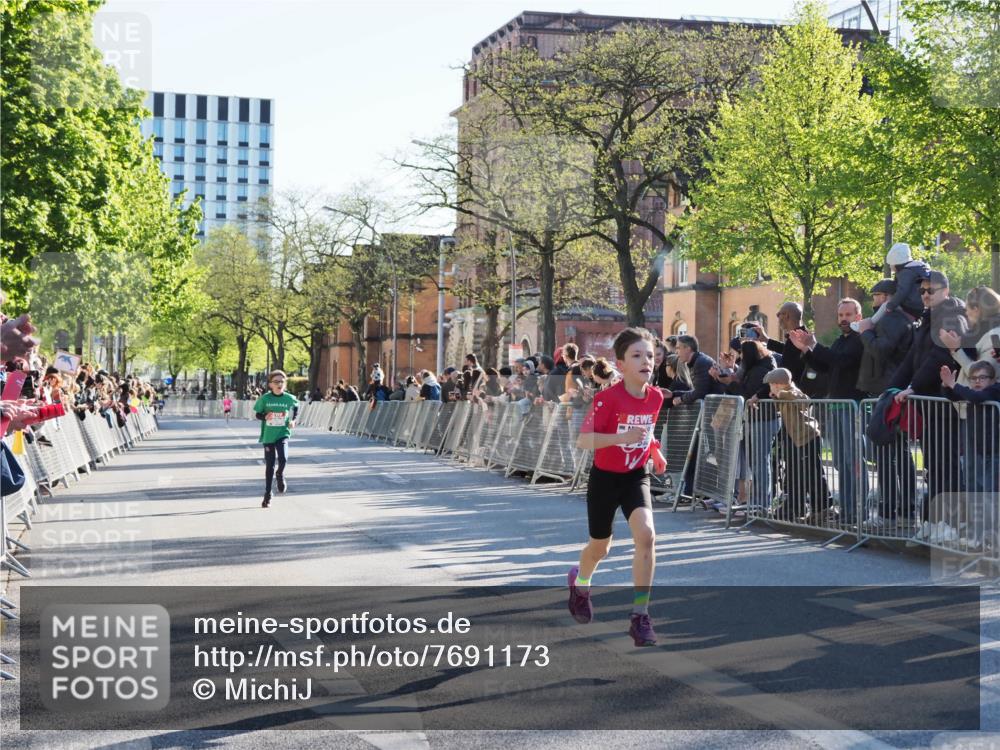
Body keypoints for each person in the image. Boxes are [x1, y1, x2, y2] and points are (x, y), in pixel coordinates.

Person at [568, 327, 667, 647]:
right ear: (621, 365)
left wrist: (654, 450)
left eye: (650, 355)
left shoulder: (655, 397)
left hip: (636, 476)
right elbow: (584, 440)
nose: (646, 361)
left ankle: (640, 616)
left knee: (647, 535)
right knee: (600, 548)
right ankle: (581, 583)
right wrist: (620, 439)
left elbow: (647, 429)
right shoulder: (607, 398)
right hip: (605, 478)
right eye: (637, 355)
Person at [891, 271, 968, 526]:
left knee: (946, 468)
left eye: (930, 290)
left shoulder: (952, 317)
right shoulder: (927, 319)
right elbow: (912, 360)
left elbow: (940, 357)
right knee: (934, 467)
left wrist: (913, 386)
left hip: (944, 404)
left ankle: (952, 525)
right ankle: (933, 523)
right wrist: (891, 390)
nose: (924, 295)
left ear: (945, 291)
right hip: (928, 405)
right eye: (922, 291)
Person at [789, 298, 867, 525]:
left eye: (848, 315)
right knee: (840, 462)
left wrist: (814, 346)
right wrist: (806, 350)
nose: (843, 319)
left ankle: (856, 512)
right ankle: (847, 510)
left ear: (858, 317)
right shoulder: (840, 341)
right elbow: (826, 366)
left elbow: (841, 362)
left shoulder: (858, 340)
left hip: (851, 407)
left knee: (853, 462)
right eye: (841, 315)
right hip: (836, 406)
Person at [857, 279, 917, 525]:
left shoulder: (891, 319)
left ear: (887, 297)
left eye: (878, 296)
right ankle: (905, 511)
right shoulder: (905, 318)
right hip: (896, 389)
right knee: (900, 453)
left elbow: (882, 349)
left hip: (890, 391)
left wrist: (866, 332)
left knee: (886, 453)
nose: (874, 302)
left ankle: (888, 512)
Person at [765, 368, 831, 522]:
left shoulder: (793, 391)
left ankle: (823, 507)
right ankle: (796, 506)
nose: (770, 387)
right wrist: (776, 398)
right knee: (794, 474)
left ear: (778, 384)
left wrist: (781, 394)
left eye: (771, 384)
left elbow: (804, 401)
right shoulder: (782, 395)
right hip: (794, 439)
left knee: (813, 474)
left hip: (807, 438)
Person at [852, 243, 930, 333]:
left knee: (886, 304)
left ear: (897, 263)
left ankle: (870, 323)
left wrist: (891, 305)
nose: (890, 267)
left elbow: (902, 291)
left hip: (911, 305)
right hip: (918, 306)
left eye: (891, 264)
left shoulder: (905, 273)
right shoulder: (915, 270)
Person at [253, 370, 298, 508]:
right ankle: (267, 494)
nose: (279, 384)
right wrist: (264, 416)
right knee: (270, 465)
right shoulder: (265, 399)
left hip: (282, 433)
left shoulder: (289, 398)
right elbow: (257, 414)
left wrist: (293, 420)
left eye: (282, 382)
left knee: (283, 458)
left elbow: (295, 408)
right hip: (268, 436)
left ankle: (280, 474)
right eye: (276, 382)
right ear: (270, 385)